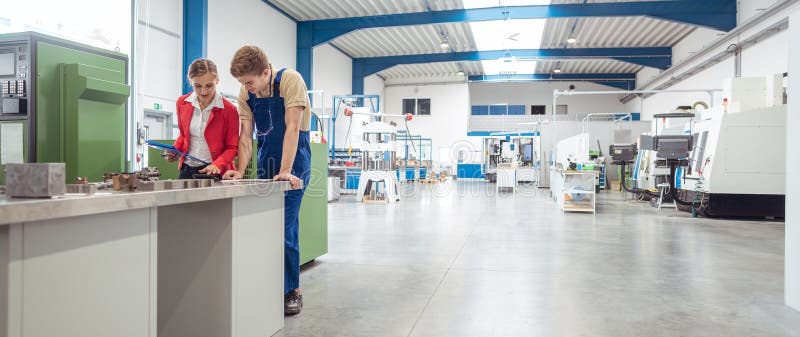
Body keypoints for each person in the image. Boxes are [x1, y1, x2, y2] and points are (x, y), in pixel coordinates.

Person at [222, 46, 311, 316]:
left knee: (284, 227)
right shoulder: (246, 91)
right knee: (262, 226)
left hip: (294, 160)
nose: (246, 87)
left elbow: (293, 127)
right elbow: (247, 136)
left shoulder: (290, 80)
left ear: (265, 72)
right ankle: (266, 285)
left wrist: (285, 170)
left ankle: (291, 290)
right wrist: (240, 170)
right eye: (242, 83)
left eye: (249, 81)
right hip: (265, 161)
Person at [166, 59, 239, 179]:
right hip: (186, 170)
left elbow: (232, 148)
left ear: (217, 81)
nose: (203, 91)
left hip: (215, 172)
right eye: (197, 86)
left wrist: (217, 164)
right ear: (190, 82)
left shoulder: (229, 110)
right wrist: (175, 150)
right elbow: (183, 136)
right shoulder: (182, 103)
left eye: (209, 85)